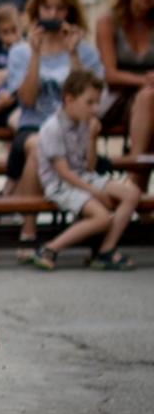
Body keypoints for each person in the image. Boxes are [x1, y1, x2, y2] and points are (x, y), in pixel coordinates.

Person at [4, 0, 107, 252]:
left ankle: (88, 226)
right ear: (37, 11)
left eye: (60, 9)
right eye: (47, 8)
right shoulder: (21, 52)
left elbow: (89, 95)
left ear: (69, 13)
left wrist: (73, 52)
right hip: (34, 125)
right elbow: (26, 99)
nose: (52, 14)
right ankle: (28, 232)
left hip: (73, 129)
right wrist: (36, 54)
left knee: (58, 143)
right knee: (38, 146)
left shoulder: (85, 51)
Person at [29, 69, 142, 270]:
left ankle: (105, 250)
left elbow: (89, 166)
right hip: (61, 185)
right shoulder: (52, 128)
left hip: (83, 176)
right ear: (69, 99)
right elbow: (63, 173)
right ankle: (49, 248)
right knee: (101, 218)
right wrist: (95, 192)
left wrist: (92, 138)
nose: (95, 109)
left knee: (132, 193)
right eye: (89, 103)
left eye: (97, 103)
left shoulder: (84, 123)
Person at [95, 0, 154, 183]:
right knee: (149, 97)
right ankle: (135, 166)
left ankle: (135, 189)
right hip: (119, 97)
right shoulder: (109, 22)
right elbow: (110, 74)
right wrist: (145, 81)